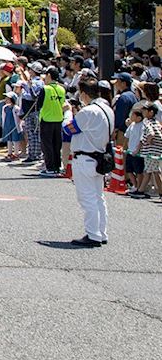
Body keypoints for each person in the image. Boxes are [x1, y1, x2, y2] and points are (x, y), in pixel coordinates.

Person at [64, 79, 113, 246]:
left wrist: (69, 114)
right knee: (98, 197)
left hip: (85, 157)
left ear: (84, 94)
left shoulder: (89, 111)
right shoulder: (107, 109)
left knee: (87, 198)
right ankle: (101, 232)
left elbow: (69, 129)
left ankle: (92, 235)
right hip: (99, 155)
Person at [37, 68, 68, 177]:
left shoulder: (45, 89)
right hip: (58, 119)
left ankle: (49, 168)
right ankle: (56, 167)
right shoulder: (62, 89)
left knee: (47, 145)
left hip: (47, 119)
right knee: (56, 145)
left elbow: (38, 104)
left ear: (49, 75)